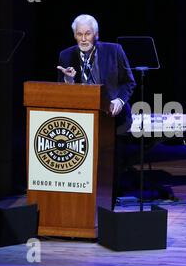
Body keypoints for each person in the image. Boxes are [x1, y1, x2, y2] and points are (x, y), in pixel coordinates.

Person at [57, 14, 137, 206]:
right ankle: (84, 200)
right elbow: (61, 91)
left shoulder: (114, 51)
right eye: (79, 34)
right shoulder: (66, 55)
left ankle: (108, 199)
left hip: (112, 116)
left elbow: (129, 82)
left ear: (96, 35)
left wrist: (119, 99)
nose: (83, 39)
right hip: (81, 120)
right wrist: (69, 80)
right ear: (74, 36)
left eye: (88, 34)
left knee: (110, 162)